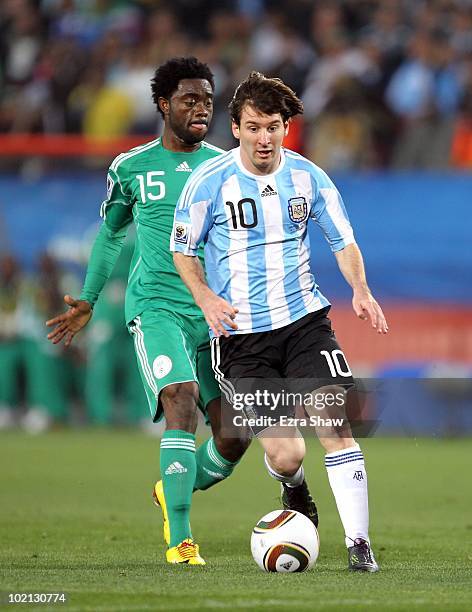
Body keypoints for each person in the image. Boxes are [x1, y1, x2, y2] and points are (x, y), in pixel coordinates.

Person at [172, 71, 388, 572]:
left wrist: (360, 289)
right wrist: (205, 297)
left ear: (286, 127)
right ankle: (294, 489)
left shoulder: (310, 178)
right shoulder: (209, 182)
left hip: (304, 322)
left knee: (335, 425)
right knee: (287, 453)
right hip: (241, 337)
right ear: (236, 128)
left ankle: (360, 547)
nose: (263, 138)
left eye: (272, 127)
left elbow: (343, 240)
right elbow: (183, 250)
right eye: (253, 127)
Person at [46, 57, 251, 565]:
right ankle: (180, 541)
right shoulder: (131, 166)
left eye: (207, 99)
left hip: (213, 314)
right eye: (190, 99)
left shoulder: (226, 166)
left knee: (234, 434)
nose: (201, 108)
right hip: (157, 307)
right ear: (163, 104)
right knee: (180, 399)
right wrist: (89, 298)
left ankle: (172, 488)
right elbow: (112, 234)